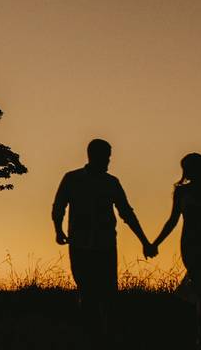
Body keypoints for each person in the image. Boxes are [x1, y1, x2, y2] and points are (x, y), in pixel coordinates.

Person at [52, 138, 152, 341]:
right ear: (93, 156)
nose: (108, 162)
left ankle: (104, 336)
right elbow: (58, 206)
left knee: (107, 294)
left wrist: (144, 240)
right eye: (105, 158)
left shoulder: (111, 183)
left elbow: (126, 213)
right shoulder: (72, 179)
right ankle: (91, 335)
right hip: (80, 245)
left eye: (109, 158)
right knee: (87, 292)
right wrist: (58, 230)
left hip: (105, 245)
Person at [149, 153, 201, 348]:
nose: (186, 172)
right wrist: (157, 242)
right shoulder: (181, 192)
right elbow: (173, 220)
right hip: (191, 245)